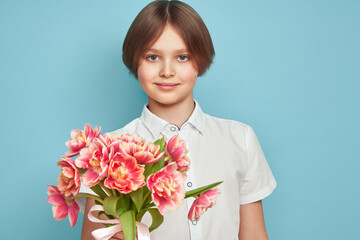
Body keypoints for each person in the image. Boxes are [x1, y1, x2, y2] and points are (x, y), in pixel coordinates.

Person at [80, 1, 276, 239]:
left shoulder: (240, 139)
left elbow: (254, 235)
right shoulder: (108, 151)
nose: (167, 71)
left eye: (182, 57)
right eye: (153, 57)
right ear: (135, 61)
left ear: (200, 61)